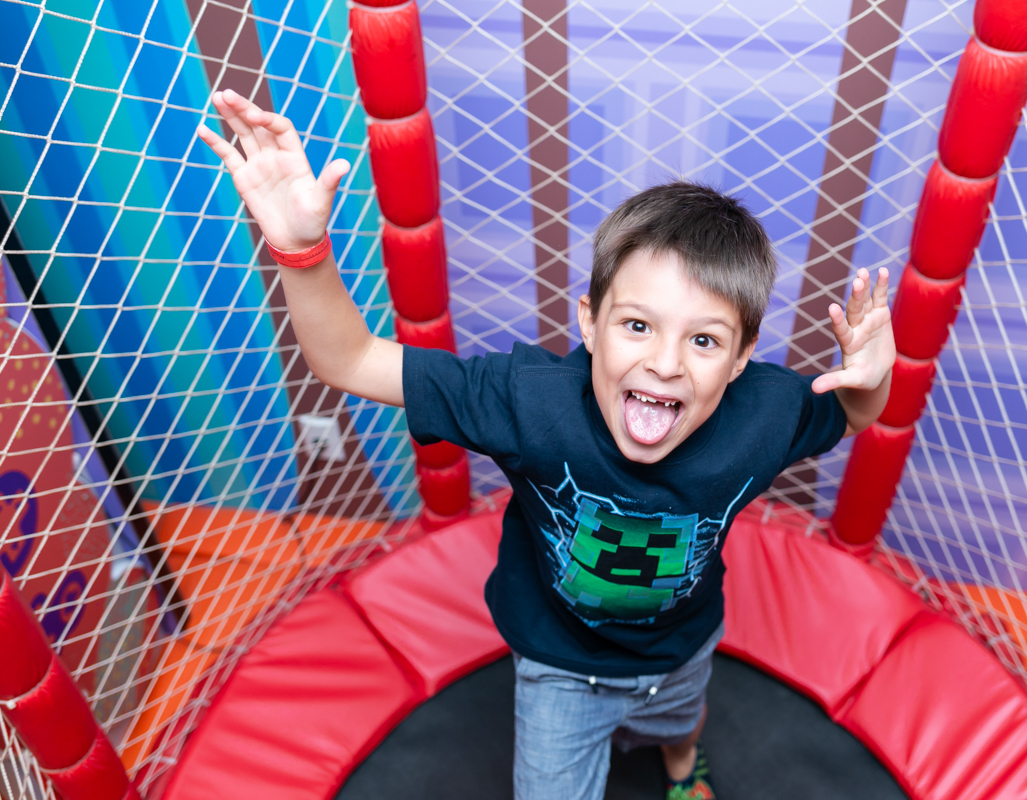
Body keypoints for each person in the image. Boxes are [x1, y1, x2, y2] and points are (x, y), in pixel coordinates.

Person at [198, 88, 896, 800]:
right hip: (559, 668)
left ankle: (684, 769)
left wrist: (875, 374)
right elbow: (350, 360)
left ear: (743, 357)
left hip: (682, 648)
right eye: (637, 326)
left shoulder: (764, 413)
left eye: (704, 340)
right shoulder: (528, 400)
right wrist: (301, 249)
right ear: (590, 325)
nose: (665, 362)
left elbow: (852, 413)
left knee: (683, 724)